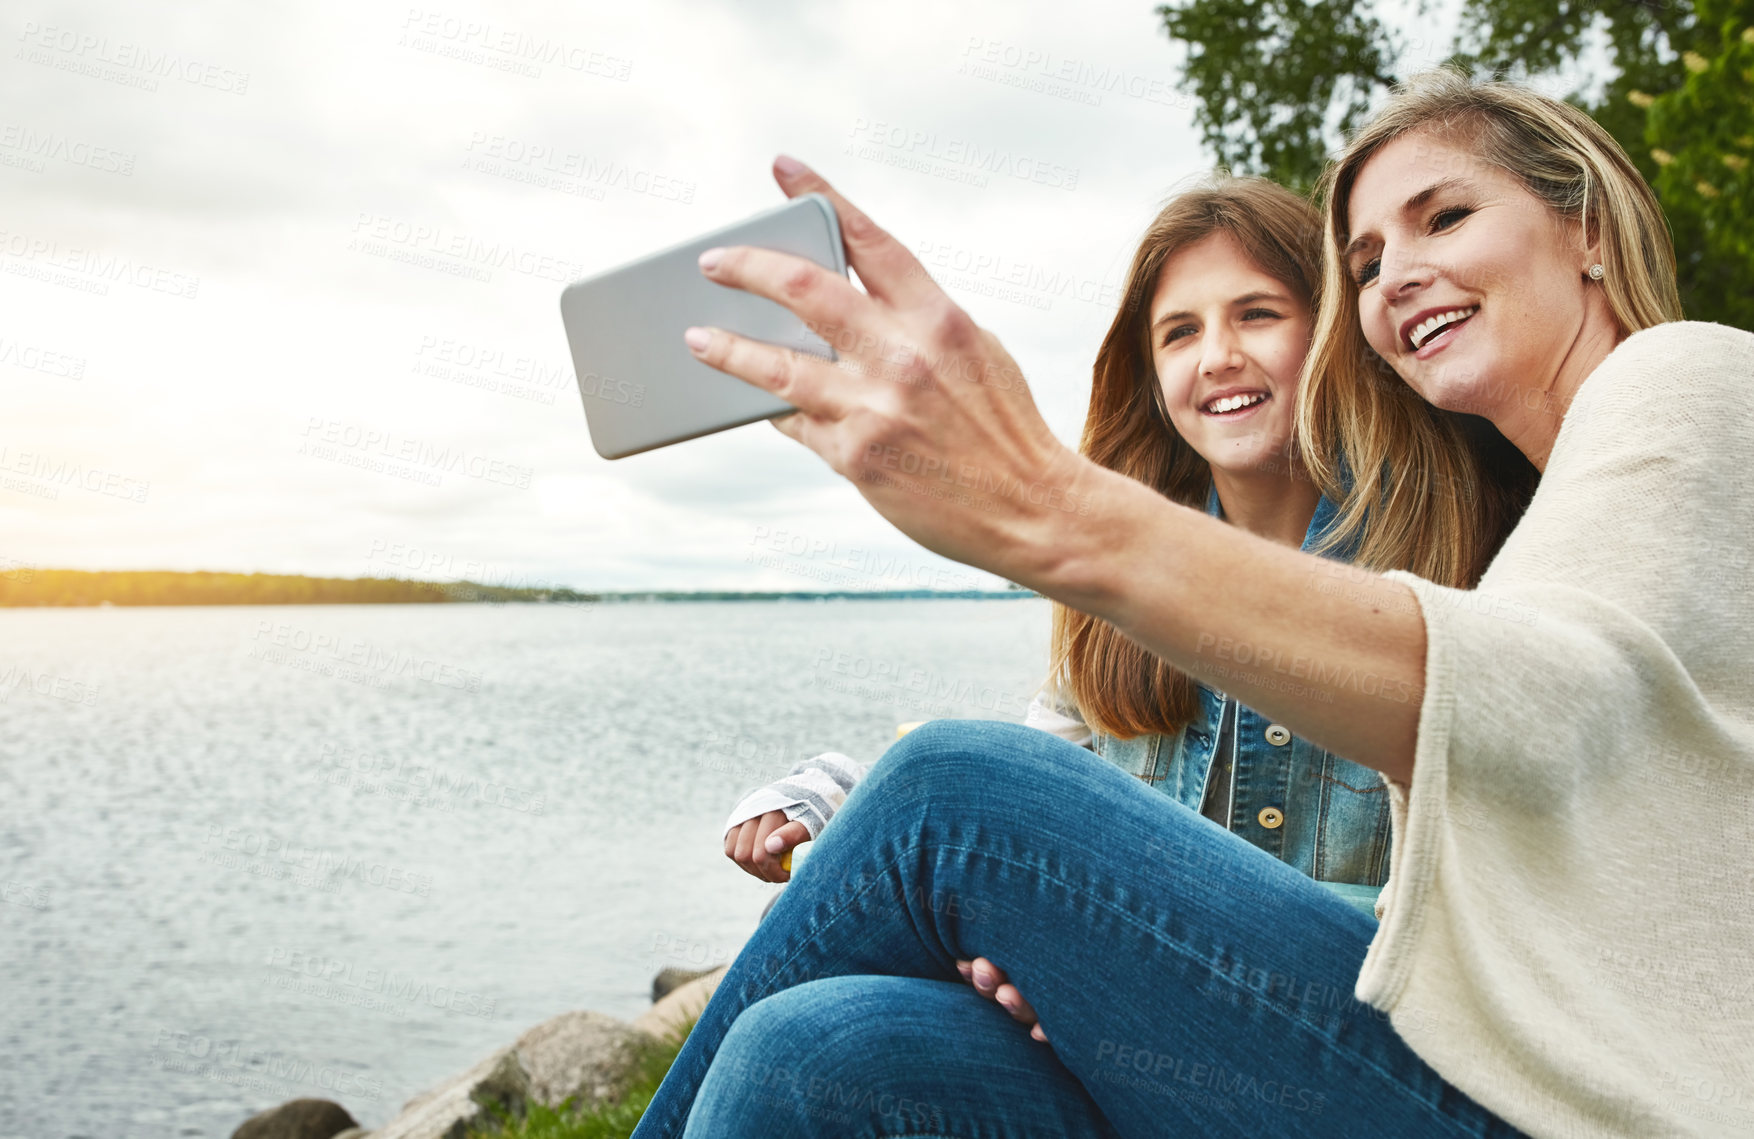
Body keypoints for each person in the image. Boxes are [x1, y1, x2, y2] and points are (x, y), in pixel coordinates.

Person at [632, 69, 1754, 1138]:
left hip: (1567, 1106)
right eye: (1363, 261)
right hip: (1408, 1069)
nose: (1396, 274)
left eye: (1444, 215)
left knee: (953, 790)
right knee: (813, 1044)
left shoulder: (1684, 377)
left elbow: (1533, 710)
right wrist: (1090, 954)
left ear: (1589, 228)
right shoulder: (1545, 528)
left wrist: (1045, 504)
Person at [720, 178, 1532, 946]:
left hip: (1351, 1041)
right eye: (1180, 332)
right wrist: (840, 805)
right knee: (818, 1002)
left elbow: (1506, 904)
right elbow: (1027, 791)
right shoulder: (1116, 607)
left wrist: (1099, 936)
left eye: (1256, 314)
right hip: (1126, 1033)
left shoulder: (1459, 553)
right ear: (1150, 378)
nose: (1216, 355)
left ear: (1330, 335)